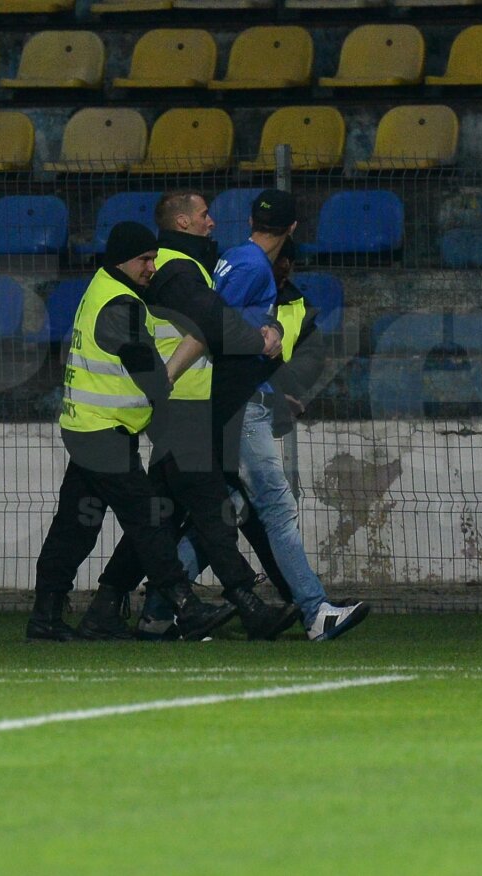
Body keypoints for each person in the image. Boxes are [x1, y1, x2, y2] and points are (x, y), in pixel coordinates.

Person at [88, 191, 300, 641]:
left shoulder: (179, 264)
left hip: (183, 405)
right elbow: (210, 318)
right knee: (211, 511)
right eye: (204, 215)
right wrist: (258, 338)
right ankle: (240, 605)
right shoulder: (177, 267)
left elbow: (204, 322)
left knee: (161, 517)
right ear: (183, 221)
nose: (212, 223)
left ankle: (109, 602)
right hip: (181, 407)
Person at [27, 221, 235, 643]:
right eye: (145, 259)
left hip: (87, 426)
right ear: (124, 259)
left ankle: (45, 616)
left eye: (155, 257)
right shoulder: (122, 305)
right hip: (104, 433)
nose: (152, 266)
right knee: (149, 519)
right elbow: (152, 378)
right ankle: (186, 607)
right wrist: (188, 352)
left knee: (75, 526)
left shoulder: (102, 289)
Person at [185, 195, 369, 642]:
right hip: (240, 402)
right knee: (277, 507)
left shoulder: (235, 258)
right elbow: (212, 325)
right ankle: (314, 611)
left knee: (233, 508)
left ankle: (166, 603)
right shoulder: (252, 267)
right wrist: (261, 338)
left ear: (251, 221)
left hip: (236, 397)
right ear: (293, 228)